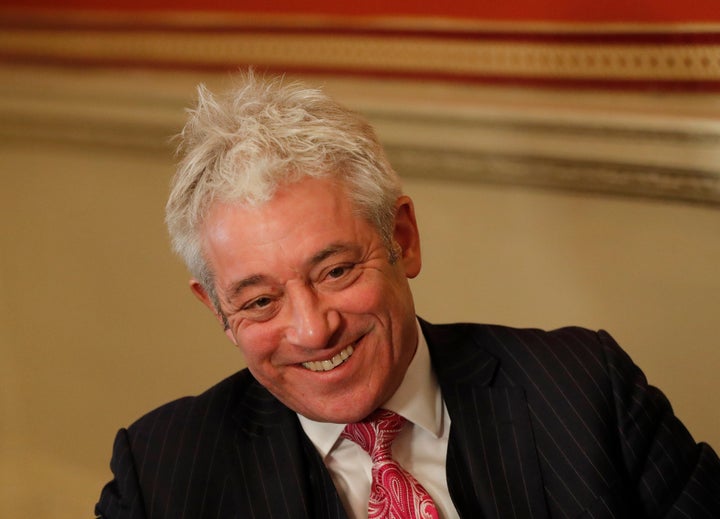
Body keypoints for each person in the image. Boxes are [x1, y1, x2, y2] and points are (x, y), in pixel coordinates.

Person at [96, 72, 720, 519]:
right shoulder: (162, 474)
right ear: (217, 311)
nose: (313, 331)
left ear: (403, 239)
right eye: (260, 302)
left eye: (336, 270)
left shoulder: (584, 392)